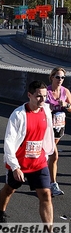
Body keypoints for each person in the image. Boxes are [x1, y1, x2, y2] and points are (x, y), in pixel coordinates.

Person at [0, 80, 55, 224]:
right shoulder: (18, 115)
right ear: (29, 95)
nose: (42, 99)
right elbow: (9, 142)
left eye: (45, 96)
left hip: (39, 162)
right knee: (9, 189)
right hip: (19, 163)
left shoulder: (46, 110)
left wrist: (47, 152)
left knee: (46, 194)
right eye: (39, 96)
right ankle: (1, 211)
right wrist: (15, 167)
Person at [46, 67, 71, 196]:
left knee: (48, 154)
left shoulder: (65, 92)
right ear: (52, 77)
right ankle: (52, 184)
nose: (60, 80)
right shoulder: (46, 91)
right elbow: (36, 106)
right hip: (47, 127)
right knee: (54, 155)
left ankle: (37, 171)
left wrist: (66, 105)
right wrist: (47, 108)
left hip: (59, 126)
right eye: (58, 77)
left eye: (62, 78)